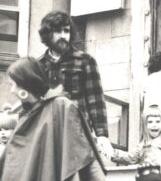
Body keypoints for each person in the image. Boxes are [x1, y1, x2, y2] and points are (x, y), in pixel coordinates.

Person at [38, 10, 113, 157]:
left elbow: (96, 100)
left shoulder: (85, 61)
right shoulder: (39, 65)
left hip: (78, 133)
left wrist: (102, 135)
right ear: (47, 34)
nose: (63, 36)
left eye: (66, 31)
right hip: (49, 135)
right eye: (58, 31)